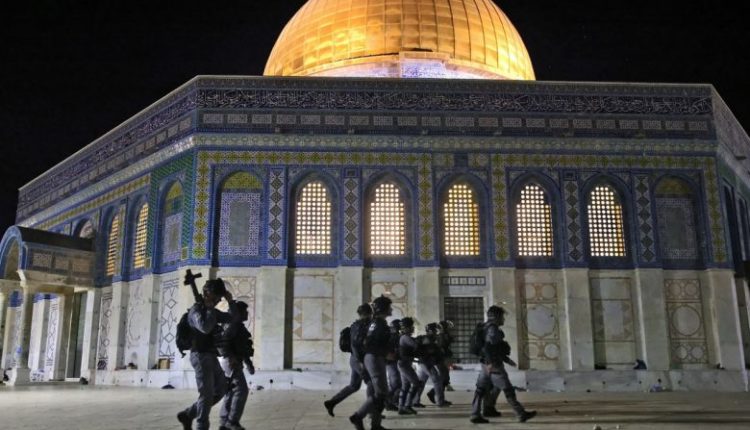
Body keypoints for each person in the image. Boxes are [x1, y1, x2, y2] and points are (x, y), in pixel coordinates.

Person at [177, 278, 233, 430]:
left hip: (211, 355)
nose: (218, 300)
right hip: (200, 356)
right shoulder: (195, 311)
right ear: (208, 293)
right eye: (217, 296)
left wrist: (231, 302)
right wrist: (209, 309)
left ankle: (189, 414)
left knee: (221, 388)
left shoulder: (211, 310)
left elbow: (232, 318)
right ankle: (201, 426)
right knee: (206, 394)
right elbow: (205, 328)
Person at [469, 305, 536, 424]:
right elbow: (489, 347)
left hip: (485, 364)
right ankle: (521, 413)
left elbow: (493, 347)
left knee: (480, 390)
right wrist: (491, 362)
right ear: (496, 317)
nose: (503, 319)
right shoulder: (492, 329)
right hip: (493, 365)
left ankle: (476, 414)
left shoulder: (484, 326)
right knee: (508, 389)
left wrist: (506, 360)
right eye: (502, 316)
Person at [350, 296, 392, 430]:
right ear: (384, 309)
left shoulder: (375, 322)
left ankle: (376, 425)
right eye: (389, 307)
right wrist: (386, 353)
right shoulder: (379, 324)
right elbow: (370, 343)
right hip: (375, 358)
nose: (391, 309)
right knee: (381, 394)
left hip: (374, 358)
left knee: (381, 393)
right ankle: (358, 416)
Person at [324, 304, 373, 417]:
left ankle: (331, 402)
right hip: (359, 360)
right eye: (370, 313)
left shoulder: (356, 325)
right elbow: (355, 345)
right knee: (371, 383)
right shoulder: (360, 326)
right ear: (368, 313)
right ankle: (371, 411)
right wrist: (360, 362)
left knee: (354, 386)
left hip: (355, 359)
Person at [217, 301, 255, 430]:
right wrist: (231, 358)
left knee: (231, 390)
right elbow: (222, 343)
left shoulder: (236, 325)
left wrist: (248, 364)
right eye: (244, 311)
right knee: (241, 390)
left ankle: (224, 421)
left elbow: (242, 347)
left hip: (230, 361)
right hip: (230, 362)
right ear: (238, 312)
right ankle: (232, 421)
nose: (247, 314)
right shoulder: (232, 325)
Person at [414, 323, 450, 407]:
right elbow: (430, 351)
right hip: (426, 363)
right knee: (437, 381)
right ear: (430, 331)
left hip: (423, 363)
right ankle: (440, 402)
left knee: (422, 382)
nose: (436, 332)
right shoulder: (428, 339)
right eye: (434, 330)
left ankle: (415, 401)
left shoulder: (430, 338)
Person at [396, 317, 421, 415]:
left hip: (404, 364)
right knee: (416, 383)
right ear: (406, 328)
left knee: (406, 386)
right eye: (411, 326)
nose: (412, 328)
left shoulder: (404, 337)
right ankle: (407, 406)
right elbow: (416, 346)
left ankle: (401, 407)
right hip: (404, 365)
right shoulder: (405, 338)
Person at [385, 319, 402, 411]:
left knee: (398, 383)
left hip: (395, 362)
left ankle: (394, 401)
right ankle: (388, 402)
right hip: (391, 362)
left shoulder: (396, 336)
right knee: (395, 383)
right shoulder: (391, 337)